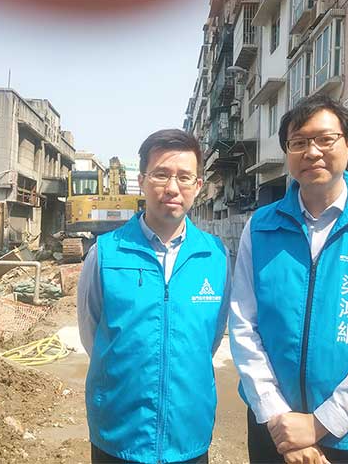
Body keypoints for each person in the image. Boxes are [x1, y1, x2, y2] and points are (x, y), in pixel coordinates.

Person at [229, 94, 348, 464]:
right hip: (275, 430)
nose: (312, 152)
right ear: (287, 153)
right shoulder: (261, 227)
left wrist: (321, 423)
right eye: (298, 142)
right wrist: (275, 414)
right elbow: (243, 325)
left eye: (325, 139)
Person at [77, 129, 231, 464]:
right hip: (119, 434)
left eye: (184, 177)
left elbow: (211, 337)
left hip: (188, 433)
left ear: (198, 186)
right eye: (161, 175)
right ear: (142, 182)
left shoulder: (216, 257)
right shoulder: (105, 253)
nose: (172, 188)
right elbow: (93, 335)